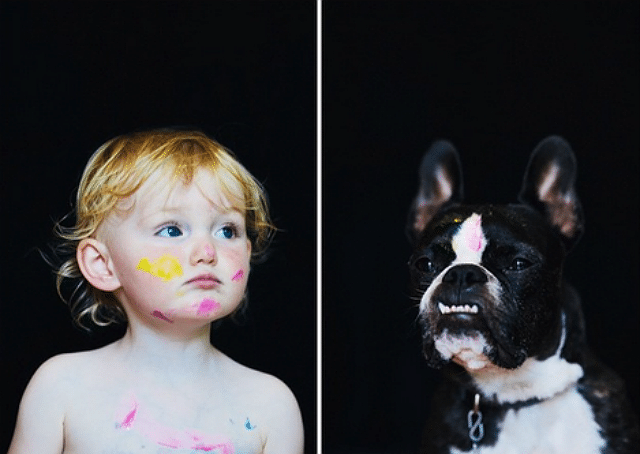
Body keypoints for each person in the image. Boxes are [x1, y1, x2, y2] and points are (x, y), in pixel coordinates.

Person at [8, 129, 304, 454]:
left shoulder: (271, 405)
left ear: (247, 255)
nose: (207, 250)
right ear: (102, 265)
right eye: (172, 229)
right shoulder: (61, 387)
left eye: (226, 230)